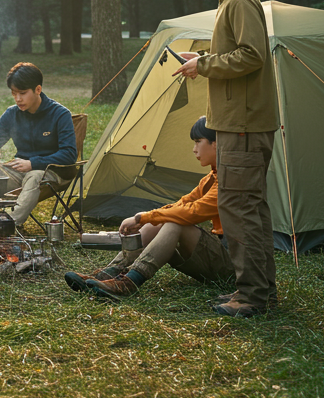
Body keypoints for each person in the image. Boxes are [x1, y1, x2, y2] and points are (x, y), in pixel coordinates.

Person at [171, 0, 279, 317]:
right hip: (237, 122)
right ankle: (262, 291)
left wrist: (206, 64)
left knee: (238, 209)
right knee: (249, 207)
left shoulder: (241, 0)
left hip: (244, 125)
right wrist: (202, 65)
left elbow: (253, 56)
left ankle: (251, 297)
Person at [63, 116, 235, 302]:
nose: (194, 149)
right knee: (163, 220)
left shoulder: (229, 179)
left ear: (216, 144)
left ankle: (129, 283)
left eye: (198, 142)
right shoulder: (210, 178)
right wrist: (148, 218)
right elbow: (182, 204)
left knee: (174, 224)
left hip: (230, 265)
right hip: (212, 261)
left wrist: (142, 218)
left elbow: (192, 212)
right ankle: (107, 274)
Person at [0, 63, 77, 227]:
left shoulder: (60, 114)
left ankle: (8, 224)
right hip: (19, 171)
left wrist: (33, 163)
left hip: (53, 172)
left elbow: (69, 154)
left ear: (37, 89)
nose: (18, 99)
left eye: (22, 93)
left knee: (34, 175)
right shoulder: (12, 113)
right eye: (14, 93)